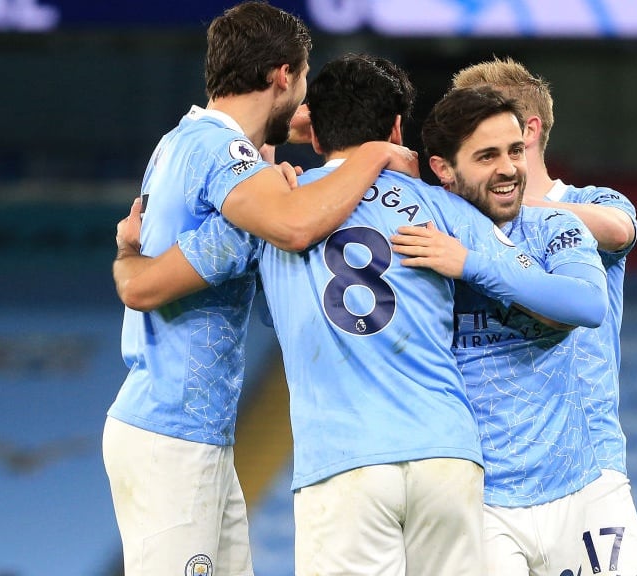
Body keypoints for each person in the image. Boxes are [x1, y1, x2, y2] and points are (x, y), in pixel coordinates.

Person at [113, 54, 607, 576]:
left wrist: (126, 253)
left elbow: (148, 284)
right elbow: (565, 300)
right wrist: (473, 264)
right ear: (397, 128)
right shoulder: (444, 210)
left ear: (317, 138)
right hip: (446, 457)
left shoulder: (273, 213)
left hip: (343, 463)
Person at [102, 4, 417, 576]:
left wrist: (273, 153)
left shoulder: (186, 141)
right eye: (302, 81)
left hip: (193, 430)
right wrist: (372, 152)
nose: (303, 104)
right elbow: (294, 225)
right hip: (172, 432)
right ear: (281, 75)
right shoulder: (221, 153)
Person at [452, 57, 637, 575]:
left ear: (529, 129)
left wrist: (515, 212)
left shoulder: (588, 203)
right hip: (489, 481)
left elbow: (619, 229)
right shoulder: (458, 221)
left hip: (589, 468)